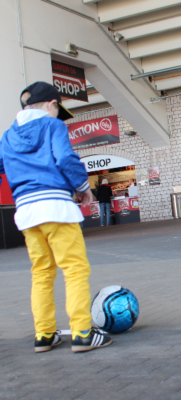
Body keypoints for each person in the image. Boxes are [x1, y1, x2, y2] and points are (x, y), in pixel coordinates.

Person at [0, 81, 112, 353]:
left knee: (41, 273)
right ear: (52, 104)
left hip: (26, 214)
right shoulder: (53, 126)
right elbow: (64, 159)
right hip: (56, 208)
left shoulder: (6, 137)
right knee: (74, 269)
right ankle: (83, 333)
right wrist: (83, 189)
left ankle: (45, 334)